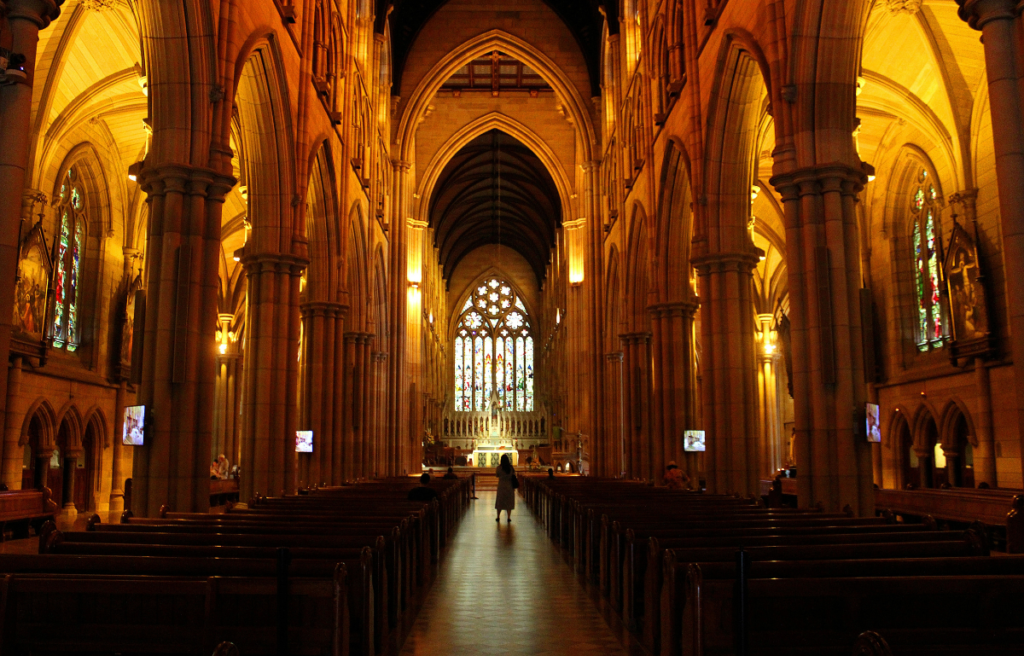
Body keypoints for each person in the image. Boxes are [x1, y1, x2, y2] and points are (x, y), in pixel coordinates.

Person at [495, 454, 516, 523]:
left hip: (501, 486)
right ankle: (509, 517)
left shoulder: (499, 468)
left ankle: (498, 516)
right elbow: (513, 475)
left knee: (500, 501)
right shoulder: (511, 468)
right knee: (508, 502)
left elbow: (497, 475)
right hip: (509, 486)